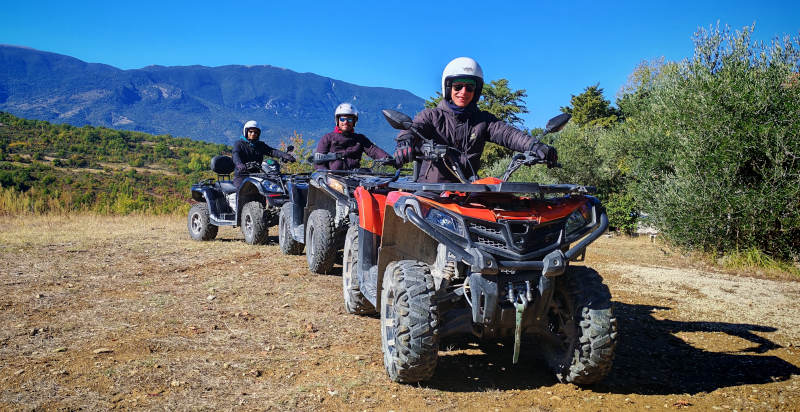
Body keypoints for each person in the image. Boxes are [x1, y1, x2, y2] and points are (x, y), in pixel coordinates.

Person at [393, 57, 557, 183]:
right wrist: (405, 142)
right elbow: (414, 128)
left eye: (469, 87)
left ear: (476, 91)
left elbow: (509, 134)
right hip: (432, 191)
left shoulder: (482, 120)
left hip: (468, 190)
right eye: (458, 86)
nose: (463, 92)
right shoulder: (432, 116)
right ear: (449, 88)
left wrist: (535, 146)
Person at [313, 103, 391, 171]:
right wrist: (326, 174)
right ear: (337, 120)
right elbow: (318, 162)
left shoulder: (360, 139)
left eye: (349, 119)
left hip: (354, 177)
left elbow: (373, 150)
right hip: (332, 179)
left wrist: (388, 159)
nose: (345, 122)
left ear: (354, 122)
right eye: (342, 119)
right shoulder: (328, 138)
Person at [232, 120, 295, 187]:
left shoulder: (260, 145)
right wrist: (239, 164)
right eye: (251, 131)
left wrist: (285, 155)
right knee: (241, 189)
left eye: (255, 132)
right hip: (242, 175)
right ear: (246, 131)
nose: (253, 134)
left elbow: (272, 151)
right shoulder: (239, 144)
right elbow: (235, 154)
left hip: (257, 175)